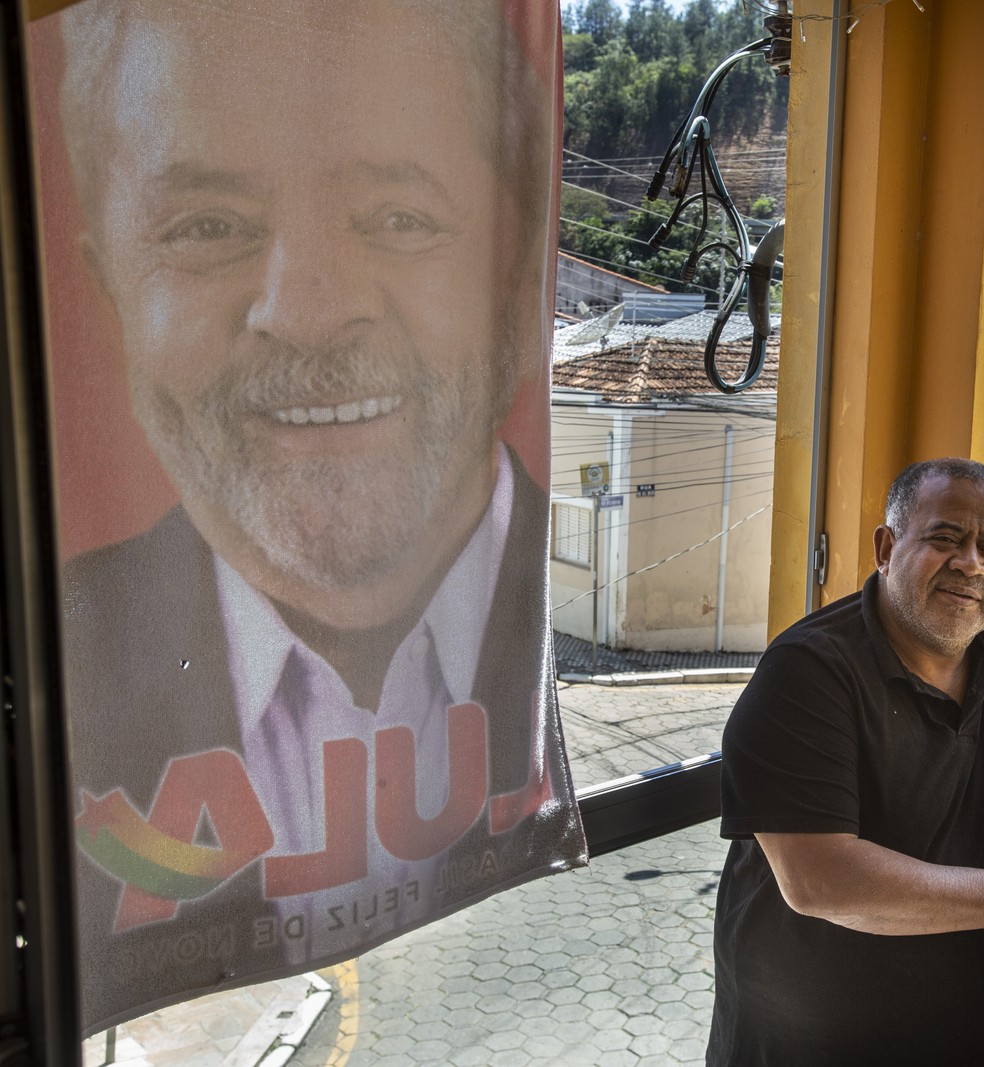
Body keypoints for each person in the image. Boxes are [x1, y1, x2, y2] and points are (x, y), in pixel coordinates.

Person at [49, 0, 584, 1031]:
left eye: (400, 217)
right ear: (107, 292)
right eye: (206, 227)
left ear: (519, 277)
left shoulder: (532, 625)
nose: (305, 307)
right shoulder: (49, 654)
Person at [710, 458, 984, 1065]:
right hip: (804, 1042)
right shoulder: (806, 671)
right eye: (946, 538)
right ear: (887, 548)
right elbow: (817, 877)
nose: (972, 564)